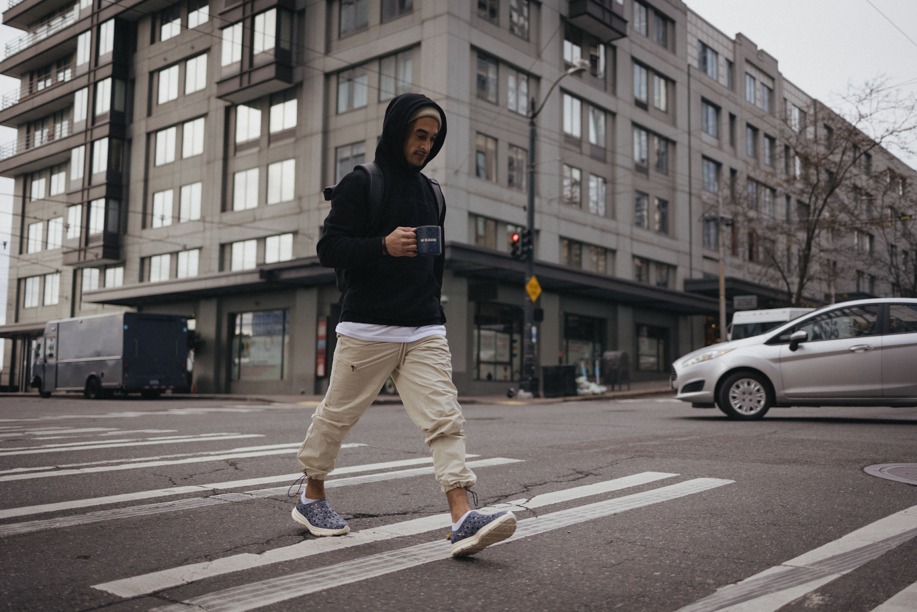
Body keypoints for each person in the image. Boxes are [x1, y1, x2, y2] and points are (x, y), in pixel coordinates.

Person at [292, 93, 516, 557]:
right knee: (337, 417)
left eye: (433, 139)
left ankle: (462, 515)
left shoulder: (433, 192)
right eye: (420, 135)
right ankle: (311, 495)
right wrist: (382, 246)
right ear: (398, 130)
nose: (426, 145)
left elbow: (435, 264)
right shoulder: (361, 183)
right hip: (367, 327)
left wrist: (432, 311)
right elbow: (329, 248)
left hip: (423, 328)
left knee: (444, 418)